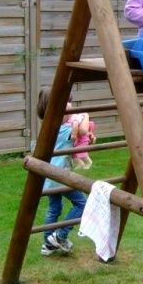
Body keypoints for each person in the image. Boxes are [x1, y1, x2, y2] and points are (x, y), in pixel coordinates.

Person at [37, 88, 87, 256]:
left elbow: (79, 138)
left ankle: (48, 243)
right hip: (61, 177)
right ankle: (59, 235)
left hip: (49, 176)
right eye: (67, 103)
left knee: (54, 208)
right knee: (82, 204)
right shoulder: (64, 130)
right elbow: (82, 129)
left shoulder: (49, 127)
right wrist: (83, 116)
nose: (71, 106)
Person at [65, 104, 95, 169]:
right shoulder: (70, 119)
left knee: (81, 152)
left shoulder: (76, 118)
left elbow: (89, 126)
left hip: (82, 140)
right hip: (77, 140)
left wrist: (90, 133)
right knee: (74, 154)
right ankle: (80, 164)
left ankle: (89, 162)